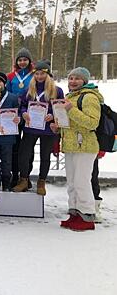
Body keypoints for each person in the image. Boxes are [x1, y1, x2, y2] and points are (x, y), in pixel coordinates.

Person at [54, 67, 102, 231]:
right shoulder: (69, 97)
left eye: (77, 78)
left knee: (82, 182)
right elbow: (70, 123)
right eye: (71, 78)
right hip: (70, 145)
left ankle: (87, 216)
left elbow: (92, 122)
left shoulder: (89, 97)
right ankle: (75, 213)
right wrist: (58, 126)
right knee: (72, 183)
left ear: (85, 81)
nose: (73, 81)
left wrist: (70, 109)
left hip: (85, 146)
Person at [13, 61, 64, 195]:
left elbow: (60, 108)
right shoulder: (29, 89)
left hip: (47, 129)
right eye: (37, 74)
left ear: (48, 75)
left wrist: (52, 115)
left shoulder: (57, 90)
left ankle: (42, 181)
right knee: (24, 154)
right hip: (31, 127)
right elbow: (23, 105)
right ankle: (23, 179)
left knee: (44, 155)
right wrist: (23, 112)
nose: (39, 77)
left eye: (42, 74)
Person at [7, 47, 35, 189]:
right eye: (20, 60)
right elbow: (6, 93)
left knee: (28, 147)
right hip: (14, 116)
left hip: (31, 114)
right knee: (15, 146)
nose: (22, 62)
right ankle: (15, 174)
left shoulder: (36, 75)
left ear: (29, 61)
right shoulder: (11, 76)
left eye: (25, 59)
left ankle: (26, 176)